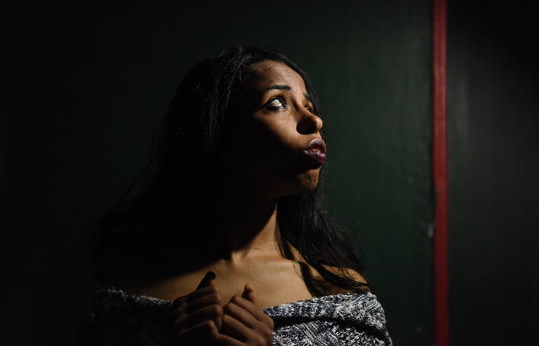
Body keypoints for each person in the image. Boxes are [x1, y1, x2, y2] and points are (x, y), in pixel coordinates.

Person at [79, 46, 391, 345]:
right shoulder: (129, 283)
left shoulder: (336, 294)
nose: (314, 121)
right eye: (278, 103)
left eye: (309, 106)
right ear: (218, 132)